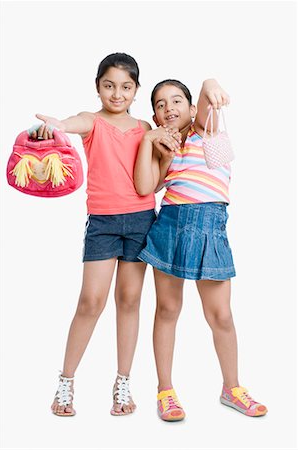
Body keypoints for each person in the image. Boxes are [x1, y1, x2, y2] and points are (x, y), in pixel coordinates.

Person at [30, 53, 178, 417]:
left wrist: (165, 150)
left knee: (129, 301)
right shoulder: (93, 121)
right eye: (109, 85)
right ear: (98, 87)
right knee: (90, 302)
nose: (117, 93)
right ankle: (66, 381)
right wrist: (57, 125)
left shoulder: (145, 126)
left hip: (142, 220)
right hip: (103, 223)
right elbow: (74, 122)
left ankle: (122, 383)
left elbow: (155, 183)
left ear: (136, 90)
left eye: (126, 87)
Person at [134, 78, 268, 421]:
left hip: (210, 229)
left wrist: (210, 84)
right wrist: (158, 149)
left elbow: (208, 96)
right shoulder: (167, 148)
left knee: (221, 315)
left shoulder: (206, 132)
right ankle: (165, 390)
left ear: (193, 109)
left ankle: (232, 387)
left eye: (177, 101)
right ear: (154, 115)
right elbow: (147, 187)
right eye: (161, 105)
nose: (169, 109)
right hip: (170, 228)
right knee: (167, 310)